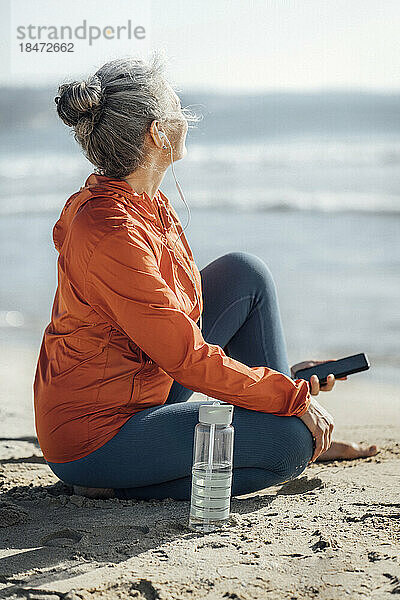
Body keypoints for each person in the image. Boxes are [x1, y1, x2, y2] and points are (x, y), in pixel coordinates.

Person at [33, 53, 377, 501]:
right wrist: (289, 400)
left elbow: (180, 328)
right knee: (287, 444)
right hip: (98, 432)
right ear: (157, 131)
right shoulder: (110, 231)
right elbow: (186, 357)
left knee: (243, 273)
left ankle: (294, 420)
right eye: (177, 107)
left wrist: (282, 386)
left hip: (145, 381)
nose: (185, 117)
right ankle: (111, 483)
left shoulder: (146, 199)